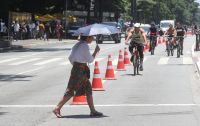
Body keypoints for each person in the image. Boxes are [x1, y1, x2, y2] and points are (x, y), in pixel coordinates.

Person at [53, 35, 103, 118]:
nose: (93, 39)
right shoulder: (84, 46)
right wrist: (96, 51)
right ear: (87, 38)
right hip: (80, 70)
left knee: (88, 89)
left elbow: (70, 57)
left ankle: (93, 110)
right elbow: (90, 60)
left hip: (77, 68)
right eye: (91, 37)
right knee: (71, 90)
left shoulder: (77, 44)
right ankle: (57, 108)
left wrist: (76, 64)